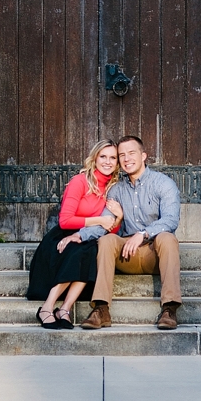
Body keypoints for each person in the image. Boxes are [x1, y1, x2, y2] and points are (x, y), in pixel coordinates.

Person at [81, 135, 182, 331]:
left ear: (143, 155)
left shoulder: (163, 184)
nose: (126, 159)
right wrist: (78, 235)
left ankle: (169, 309)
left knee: (167, 237)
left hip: (155, 254)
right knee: (108, 239)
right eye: (122, 155)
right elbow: (105, 222)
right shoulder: (116, 190)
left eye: (131, 153)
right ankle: (101, 309)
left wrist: (143, 234)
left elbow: (170, 220)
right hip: (127, 254)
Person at [27, 139, 124, 329]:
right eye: (103, 156)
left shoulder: (115, 188)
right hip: (63, 236)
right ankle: (46, 307)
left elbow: (110, 228)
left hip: (90, 238)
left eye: (113, 158)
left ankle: (64, 309)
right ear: (94, 158)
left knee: (88, 250)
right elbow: (65, 220)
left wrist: (118, 218)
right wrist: (96, 221)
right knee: (79, 251)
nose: (108, 161)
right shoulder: (80, 181)